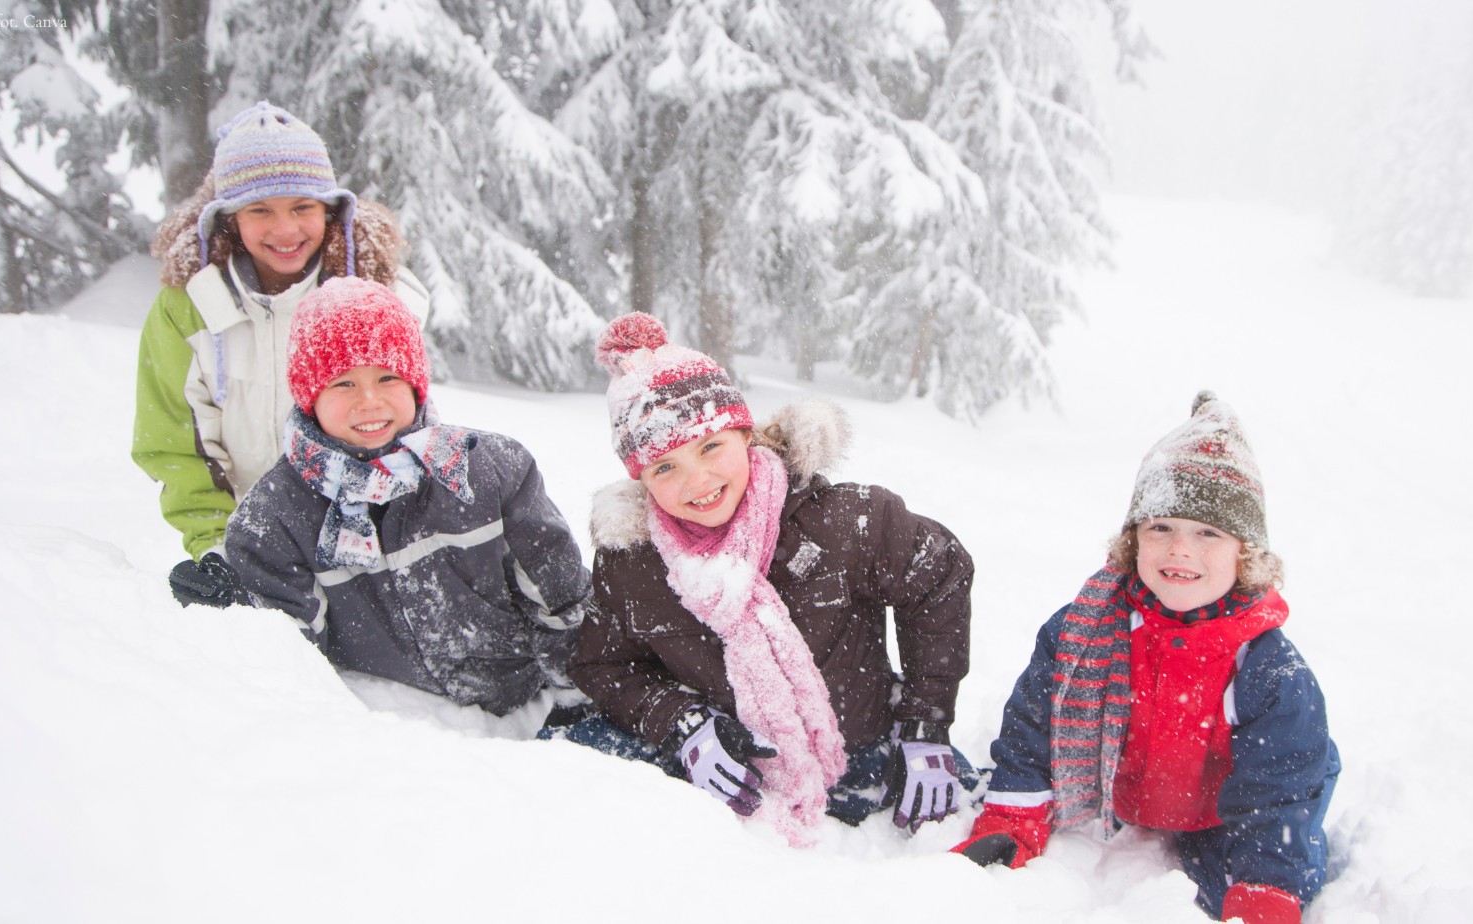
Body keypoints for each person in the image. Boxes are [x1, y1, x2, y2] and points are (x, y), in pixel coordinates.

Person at [552, 313, 976, 847]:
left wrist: (924, 725)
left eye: (710, 447)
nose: (698, 481)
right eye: (665, 467)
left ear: (744, 434)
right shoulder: (632, 564)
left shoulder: (843, 521)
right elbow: (603, 664)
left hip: (866, 753)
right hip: (730, 778)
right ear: (641, 479)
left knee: (970, 831)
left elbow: (938, 573)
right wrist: (683, 725)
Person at [950, 392, 1340, 924]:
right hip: (1128, 797)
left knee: (1252, 880)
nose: (1180, 549)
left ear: (1245, 554)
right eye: (1161, 528)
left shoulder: (1269, 669)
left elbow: (1281, 793)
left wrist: (1265, 890)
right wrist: (1011, 820)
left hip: (1224, 814)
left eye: (1207, 533)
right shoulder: (1085, 630)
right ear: (1133, 541)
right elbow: (1033, 730)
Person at [224, 277, 589, 719]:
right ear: (309, 396)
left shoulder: (489, 469)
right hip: (389, 725)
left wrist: (579, 698)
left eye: (387, 377)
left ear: (415, 384)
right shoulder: (275, 514)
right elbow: (286, 659)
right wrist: (228, 608)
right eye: (342, 383)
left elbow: (561, 599)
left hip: (521, 704)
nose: (369, 400)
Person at [133, 100, 429, 607]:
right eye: (260, 210)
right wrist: (218, 547)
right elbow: (176, 445)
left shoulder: (378, 295)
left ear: (331, 210)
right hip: (250, 542)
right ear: (228, 218)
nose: (285, 230)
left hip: (369, 544)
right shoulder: (188, 308)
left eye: (302, 207)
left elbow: (412, 426)